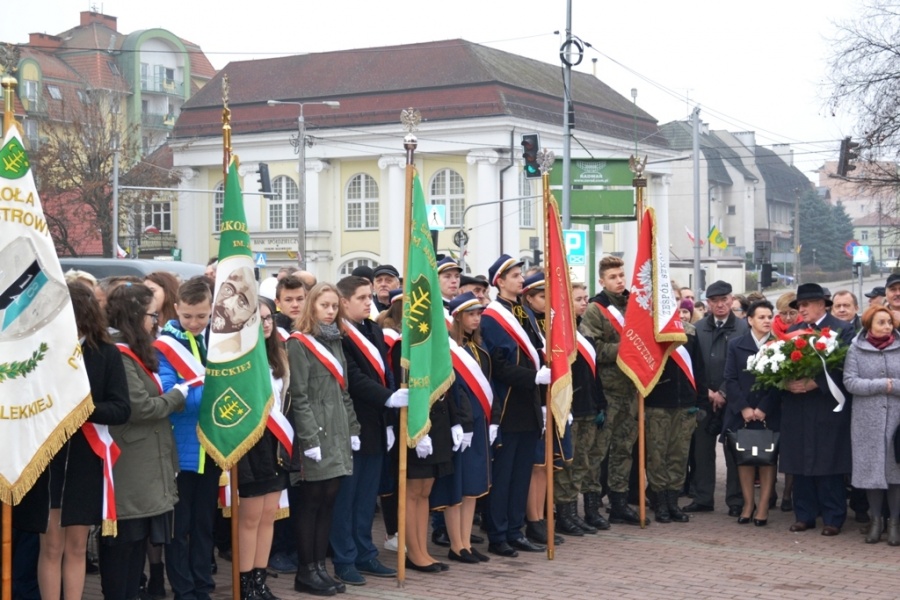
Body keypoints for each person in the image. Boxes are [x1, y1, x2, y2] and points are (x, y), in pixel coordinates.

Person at [14, 282, 131, 600]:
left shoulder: (106, 353)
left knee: (77, 546)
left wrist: (85, 410)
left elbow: (121, 409)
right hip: (47, 461)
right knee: (51, 545)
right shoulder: (40, 353)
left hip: (84, 461)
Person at [103, 283, 188, 600]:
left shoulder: (132, 350)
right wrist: (176, 396)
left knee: (137, 542)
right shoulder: (119, 353)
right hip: (130, 461)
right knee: (125, 543)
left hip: (143, 459)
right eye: (153, 315)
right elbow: (140, 407)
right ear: (135, 315)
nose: (157, 322)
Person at [328, 276, 404, 585]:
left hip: (377, 424)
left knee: (366, 496)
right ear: (343, 302)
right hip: (351, 424)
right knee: (346, 497)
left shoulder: (373, 329)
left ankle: (365, 553)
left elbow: (385, 373)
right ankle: (344, 559)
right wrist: (388, 397)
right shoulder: (337, 334)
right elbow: (353, 378)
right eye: (361, 297)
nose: (368, 302)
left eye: (369, 296)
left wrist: (390, 416)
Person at [286, 283, 360, 595]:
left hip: (338, 429)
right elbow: (299, 396)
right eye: (324, 306)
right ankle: (306, 571)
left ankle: (320, 568)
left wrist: (353, 429)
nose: (330, 312)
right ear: (311, 306)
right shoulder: (298, 343)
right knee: (311, 501)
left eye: (334, 306)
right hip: (316, 431)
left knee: (329, 499)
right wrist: (309, 438)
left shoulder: (335, 340)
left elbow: (343, 391)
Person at [481, 254, 550, 556]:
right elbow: (497, 365)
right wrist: (533, 377)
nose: (521, 280)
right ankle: (498, 535)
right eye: (515, 276)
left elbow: (538, 350)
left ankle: (514, 530)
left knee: (522, 473)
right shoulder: (491, 317)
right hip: (507, 405)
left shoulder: (524, 313)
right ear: (499, 282)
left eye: (521, 274)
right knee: (504, 475)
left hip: (529, 404)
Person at [155, 277, 219, 600]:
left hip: (211, 447)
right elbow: (171, 395)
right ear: (176, 308)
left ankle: (203, 584)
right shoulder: (166, 346)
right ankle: (183, 588)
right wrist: (212, 393)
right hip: (181, 449)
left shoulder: (217, 341)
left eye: (202, 316)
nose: (195, 322)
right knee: (179, 528)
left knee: (204, 524)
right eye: (188, 316)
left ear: (211, 310)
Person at [781, 283, 854, 536]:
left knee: (828, 461)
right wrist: (785, 382)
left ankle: (833, 517)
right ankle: (805, 515)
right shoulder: (792, 331)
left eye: (805, 304)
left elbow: (845, 366)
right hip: (798, 406)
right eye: (798, 305)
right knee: (800, 462)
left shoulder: (842, 329)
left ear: (822, 304)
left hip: (827, 404)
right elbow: (779, 364)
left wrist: (817, 383)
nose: (801, 309)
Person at [579, 255, 646, 526]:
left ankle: (619, 503)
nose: (619, 281)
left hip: (631, 389)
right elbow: (591, 348)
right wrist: (626, 349)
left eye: (621, 276)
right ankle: (592, 505)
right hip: (607, 392)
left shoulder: (635, 306)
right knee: (598, 452)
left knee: (624, 449)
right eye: (612, 277)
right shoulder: (596, 309)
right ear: (602, 281)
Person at [234, 297, 291, 600]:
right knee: (251, 517)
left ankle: (259, 580)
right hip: (250, 443)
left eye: (269, 318)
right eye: (259, 319)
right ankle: (245, 585)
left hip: (275, 443)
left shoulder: (278, 355)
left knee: (270, 514)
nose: (266, 324)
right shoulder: (238, 359)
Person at [437, 292, 492, 562]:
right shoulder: (449, 349)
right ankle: (456, 545)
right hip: (460, 425)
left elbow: (488, 386)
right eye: (471, 314)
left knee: (473, 485)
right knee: (457, 486)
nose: (476, 319)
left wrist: (493, 421)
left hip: (480, 423)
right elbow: (453, 390)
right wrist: (461, 422)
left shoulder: (479, 348)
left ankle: (467, 542)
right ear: (457, 317)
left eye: (479, 314)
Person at [686, 280, 749, 517]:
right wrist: (707, 392)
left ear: (731, 300)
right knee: (702, 451)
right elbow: (692, 365)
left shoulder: (743, 328)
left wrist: (723, 392)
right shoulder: (697, 328)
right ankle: (703, 497)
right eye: (714, 301)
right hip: (704, 399)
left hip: (733, 400)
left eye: (724, 300)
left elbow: (744, 366)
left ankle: (736, 500)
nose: (720, 305)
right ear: (708, 303)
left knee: (733, 451)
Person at [644, 301, 706, 525]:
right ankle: (660, 502)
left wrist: (701, 401)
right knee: (657, 456)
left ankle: (673, 502)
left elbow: (699, 368)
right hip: (657, 404)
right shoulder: (649, 331)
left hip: (685, 404)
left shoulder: (689, 332)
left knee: (679, 457)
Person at [554, 282, 608, 535]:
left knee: (583, 463)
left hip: (589, 407)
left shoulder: (585, 334)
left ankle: (575, 513)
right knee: (568, 464)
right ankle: (564, 514)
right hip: (571, 409)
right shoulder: (560, 335)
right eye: (578, 299)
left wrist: (600, 403)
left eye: (586, 298)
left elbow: (594, 374)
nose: (585, 302)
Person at [843, 304, 900, 545]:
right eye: (881, 322)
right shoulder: (856, 349)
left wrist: (893, 386)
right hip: (867, 421)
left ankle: (894, 523)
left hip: (897, 420)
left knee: (896, 473)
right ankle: (876, 521)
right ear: (869, 325)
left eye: (889, 322)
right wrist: (882, 385)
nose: (887, 327)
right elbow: (850, 382)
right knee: (871, 473)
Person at [722, 300, 781, 526]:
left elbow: (779, 382)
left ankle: (763, 506)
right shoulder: (736, 344)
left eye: (769, 317)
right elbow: (730, 379)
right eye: (761, 317)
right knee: (744, 460)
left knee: (767, 460)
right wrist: (744, 407)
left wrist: (763, 408)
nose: (767, 321)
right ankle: (748, 504)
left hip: (769, 414)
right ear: (750, 320)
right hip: (741, 414)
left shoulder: (779, 345)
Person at [519, 272, 567, 546]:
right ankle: (533, 519)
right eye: (540, 296)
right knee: (537, 465)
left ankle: (542, 516)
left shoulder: (549, 323)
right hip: (535, 400)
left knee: (547, 463)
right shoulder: (526, 323)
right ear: (528, 298)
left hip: (551, 400)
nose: (546, 300)